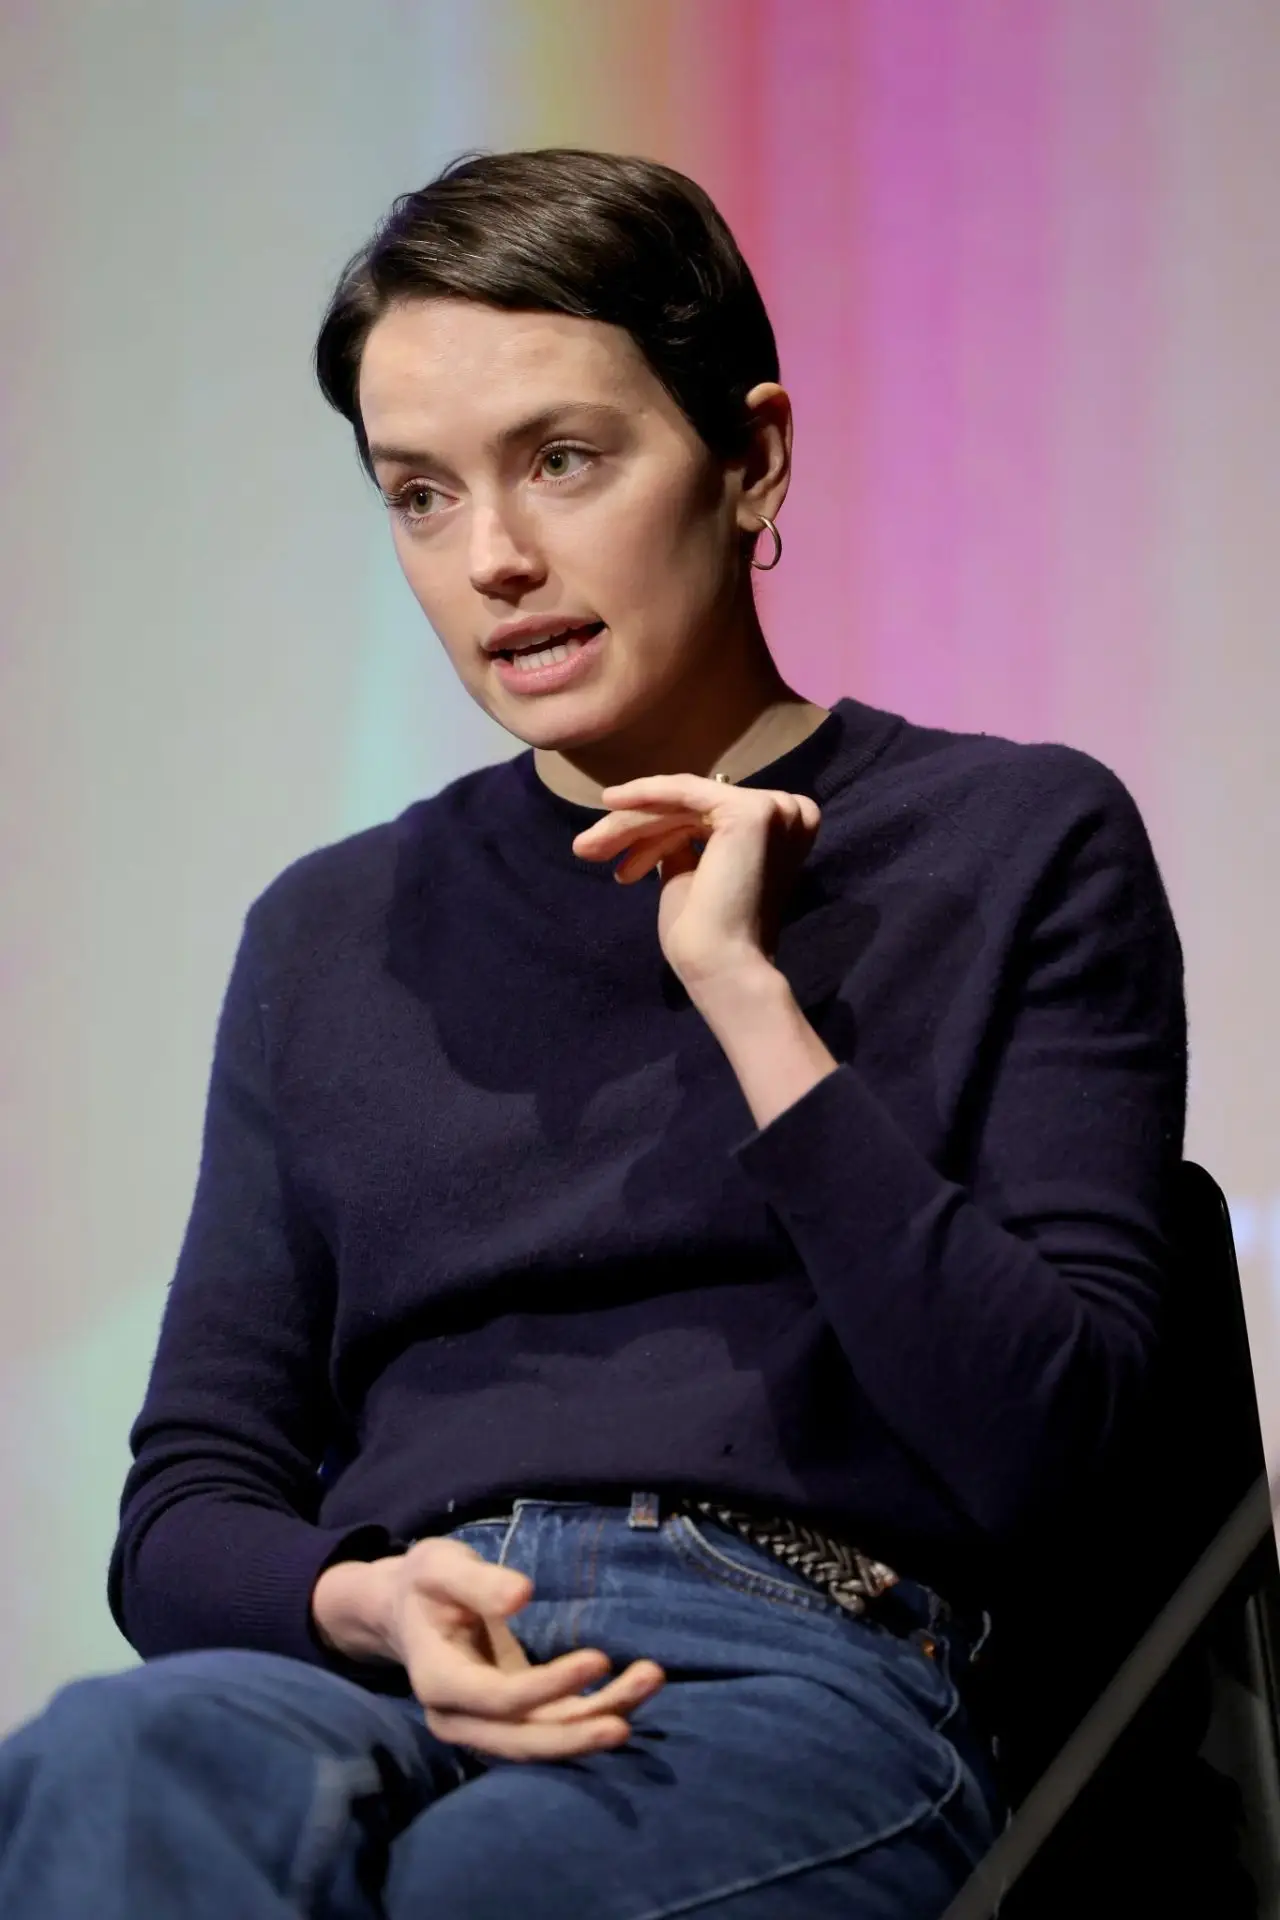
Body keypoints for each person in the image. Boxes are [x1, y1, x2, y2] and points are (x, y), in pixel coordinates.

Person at [0, 148, 1186, 1919]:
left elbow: (1063, 1461)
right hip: (403, 1650)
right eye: (419, 493)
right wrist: (364, 1598)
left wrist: (747, 998)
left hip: (803, 1671)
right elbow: (189, 1503)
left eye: (562, 462)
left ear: (750, 452)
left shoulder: (1016, 842)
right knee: (101, 1772)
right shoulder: (332, 933)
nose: (494, 559)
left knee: (505, 1885)